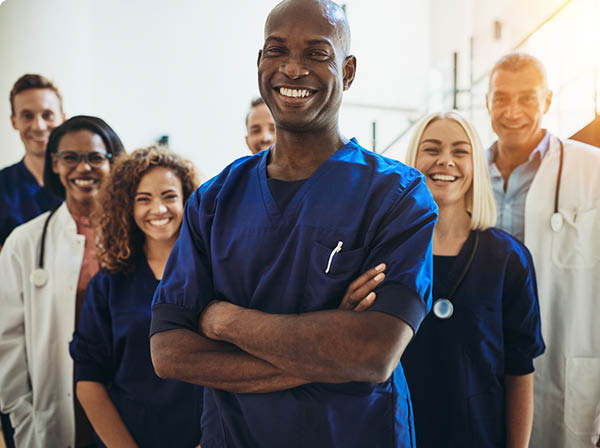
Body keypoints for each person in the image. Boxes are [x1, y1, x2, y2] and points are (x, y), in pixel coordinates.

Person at [149, 1, 438, 447]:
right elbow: (169, 353)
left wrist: (223, 321)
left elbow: (372, 353)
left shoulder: (396, 196)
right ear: (260, 62)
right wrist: (328, 348)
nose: (293, 68)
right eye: (276, 50)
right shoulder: (215, 199)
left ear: (348, 71)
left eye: (317, 54)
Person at [401, 110, 545, 447]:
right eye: (432, 149)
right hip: (398, 433)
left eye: (460, 151)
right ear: (414, 159)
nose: (445, 161)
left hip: (478, 435)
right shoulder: (390, 252)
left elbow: (519, 370)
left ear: (476, 165)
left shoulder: (508, 259)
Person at [485, 53, 600, 448]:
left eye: (527, 99)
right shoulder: (468, 177)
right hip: (487, 361)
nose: (512, 111)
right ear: (486, 102)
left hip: (567, 361)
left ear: (547, 101)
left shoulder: (593, 172)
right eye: (501, 98)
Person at [0, 115, 125, 447]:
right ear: (54, 164)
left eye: (96, 158)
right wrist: (23, 420)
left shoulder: (136, 236)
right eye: (70, 157)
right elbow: (7, 343)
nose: (83, 168)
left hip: (127, 404)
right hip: (53, 409)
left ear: (113, 163)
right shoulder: (24, 242)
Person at [69, 147, 202, 448]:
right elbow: (89, 381)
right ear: (126, 207)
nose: (158, 209)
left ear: (188, 201)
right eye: (144, 199)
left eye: (169, 196)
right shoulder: (108, 285)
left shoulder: (212, 278)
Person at [0, 74, 65, 249]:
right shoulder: (3, 186)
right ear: (14, 122)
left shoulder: (81, 181)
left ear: (62, 119)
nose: (38, 126)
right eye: (27, 116)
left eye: (48, 115)